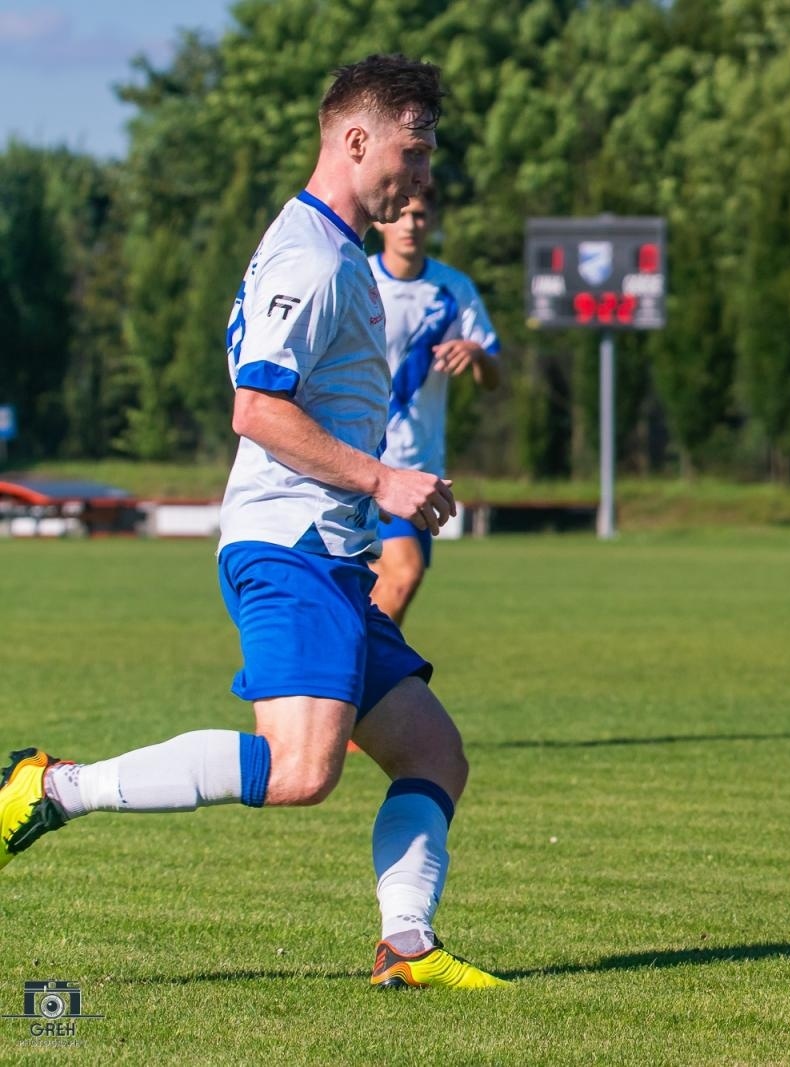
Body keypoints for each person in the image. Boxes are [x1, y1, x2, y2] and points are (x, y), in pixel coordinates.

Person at [0, 54, 508, 991]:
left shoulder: (338, 251)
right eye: (415, 149)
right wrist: (383, 478)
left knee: (435, 751)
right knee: (300, 769)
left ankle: (406, 947)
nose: (426, 175)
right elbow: (256, 408)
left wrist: (379, 490)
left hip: (336, 556)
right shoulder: (309, 257)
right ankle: (51, 786)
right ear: (356, 141)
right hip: (291, 546)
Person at [368, 186, 501, 627]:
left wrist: (478, 355)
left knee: (380, 587)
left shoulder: (453, 289)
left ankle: (349, 686)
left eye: (421, 216)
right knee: (403, 576)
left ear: (432, 222)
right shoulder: (360, 281)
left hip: (423, 467)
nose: (410, 225)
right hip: (368, 464)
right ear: (381, 221)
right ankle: (357, 678)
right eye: (402, 215)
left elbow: (493, 377)